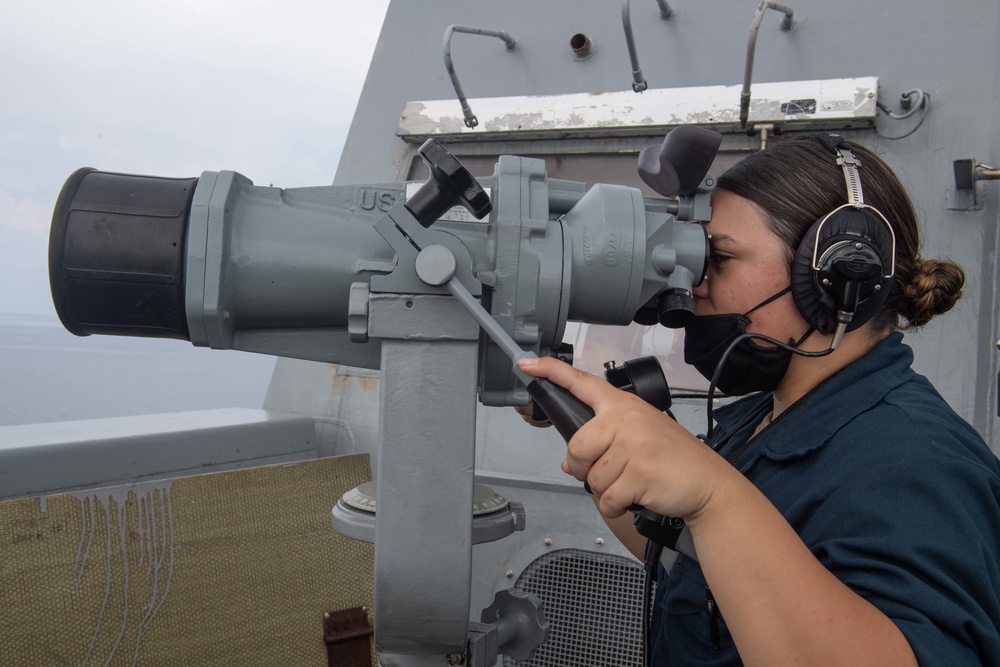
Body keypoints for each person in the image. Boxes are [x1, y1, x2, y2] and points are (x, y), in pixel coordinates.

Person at [517, 134, 1000, 665]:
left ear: (838, 279)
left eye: (720, 257)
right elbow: (695, 563)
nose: (697, 283)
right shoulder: (764, 416)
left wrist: (715, 499)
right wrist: (592, 428)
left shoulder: (920, 464)